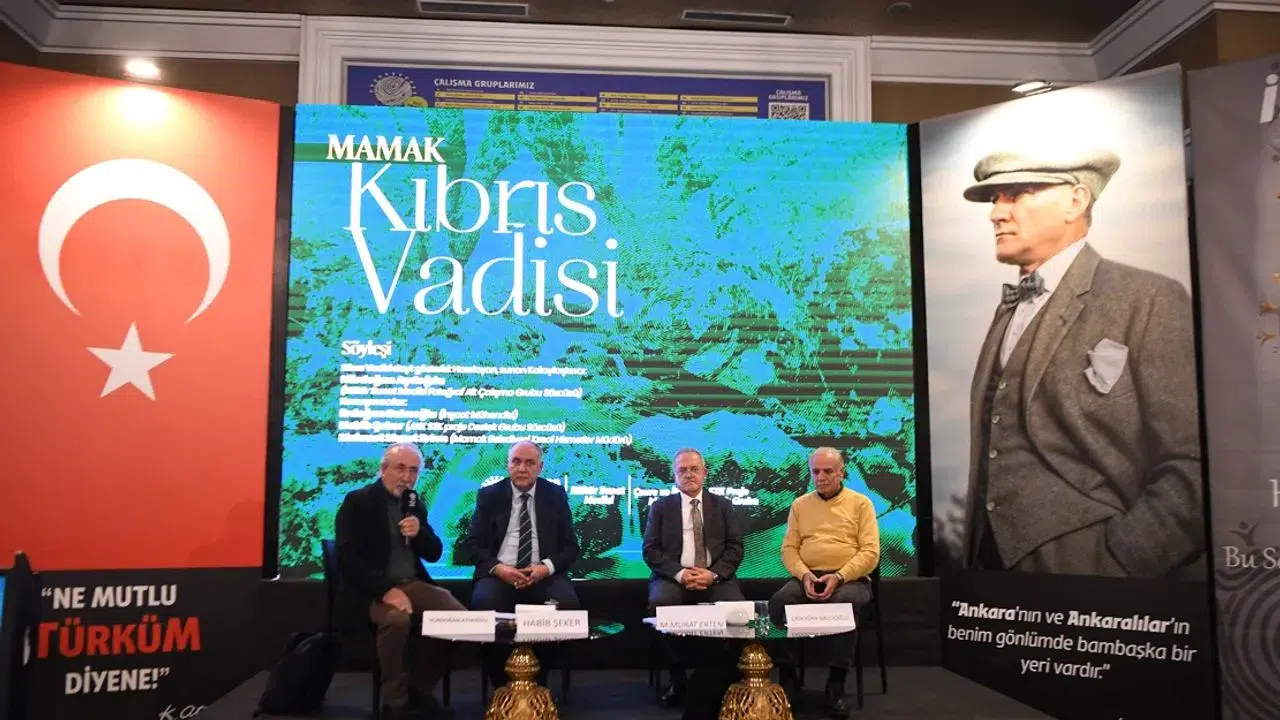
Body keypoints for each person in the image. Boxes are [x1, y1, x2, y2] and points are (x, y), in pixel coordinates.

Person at [959, 148, 1204, 578]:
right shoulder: (1008, 311)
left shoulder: (1149, 298)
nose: (996, 213)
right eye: (995, 198)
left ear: (1076, 201)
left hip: (1096, 574)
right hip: (988, 577)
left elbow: (1192, 460)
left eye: (1017, 194)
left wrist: (1124, 561)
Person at [334, 442, 463, 720]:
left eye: (413, 470)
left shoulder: (414, 504)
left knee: (461, 620)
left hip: (411, 583)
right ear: (383, 469)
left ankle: (419, 688)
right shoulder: (359, 501)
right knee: (396, 620)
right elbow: (347, 558)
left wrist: (420, 533)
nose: (406, 477)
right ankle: (395, 702)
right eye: (400, 468)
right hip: (369, 590)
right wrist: (386, 590)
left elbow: (434, 552)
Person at [769, 447, 879, 719]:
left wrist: (839, 576)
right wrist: (804, 575)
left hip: (849, 578)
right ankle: (789, 678)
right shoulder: (800, 505)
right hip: (808, 575)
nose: (820, 477)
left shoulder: (861, 504)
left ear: (842, 472)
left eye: (827, 471)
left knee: (843, 604)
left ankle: (836, 684)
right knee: (779, 602)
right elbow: (789, 549)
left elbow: (870, 553)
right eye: (815, 471)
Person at [464, 440, 581, 687]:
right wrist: (499, 569)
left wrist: (545, 568)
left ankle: (538, 682)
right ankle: (501, 686)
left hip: (543, 574)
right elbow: (473, 544)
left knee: (567, 604)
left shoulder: (555, 495)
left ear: (540, 467)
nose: (522, 469)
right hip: (500, 574)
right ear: (508, 465)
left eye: (529, 463)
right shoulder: (490, 495)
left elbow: (571, 547)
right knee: (485, 603)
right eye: (516, 462)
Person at [641, 447, 745, 707]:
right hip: (673, 577)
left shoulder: (723, 506)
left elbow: (735, 548)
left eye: (694, 469)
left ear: (705, 473)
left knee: (737, 609)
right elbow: (650, 550)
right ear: (674, 475)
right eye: (682, 470)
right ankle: (677, 676)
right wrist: (680, 574)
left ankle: (722, 677)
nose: (689, 474)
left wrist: (713, 574)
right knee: (661, 604)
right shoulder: (661, 507)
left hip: (715, 577)